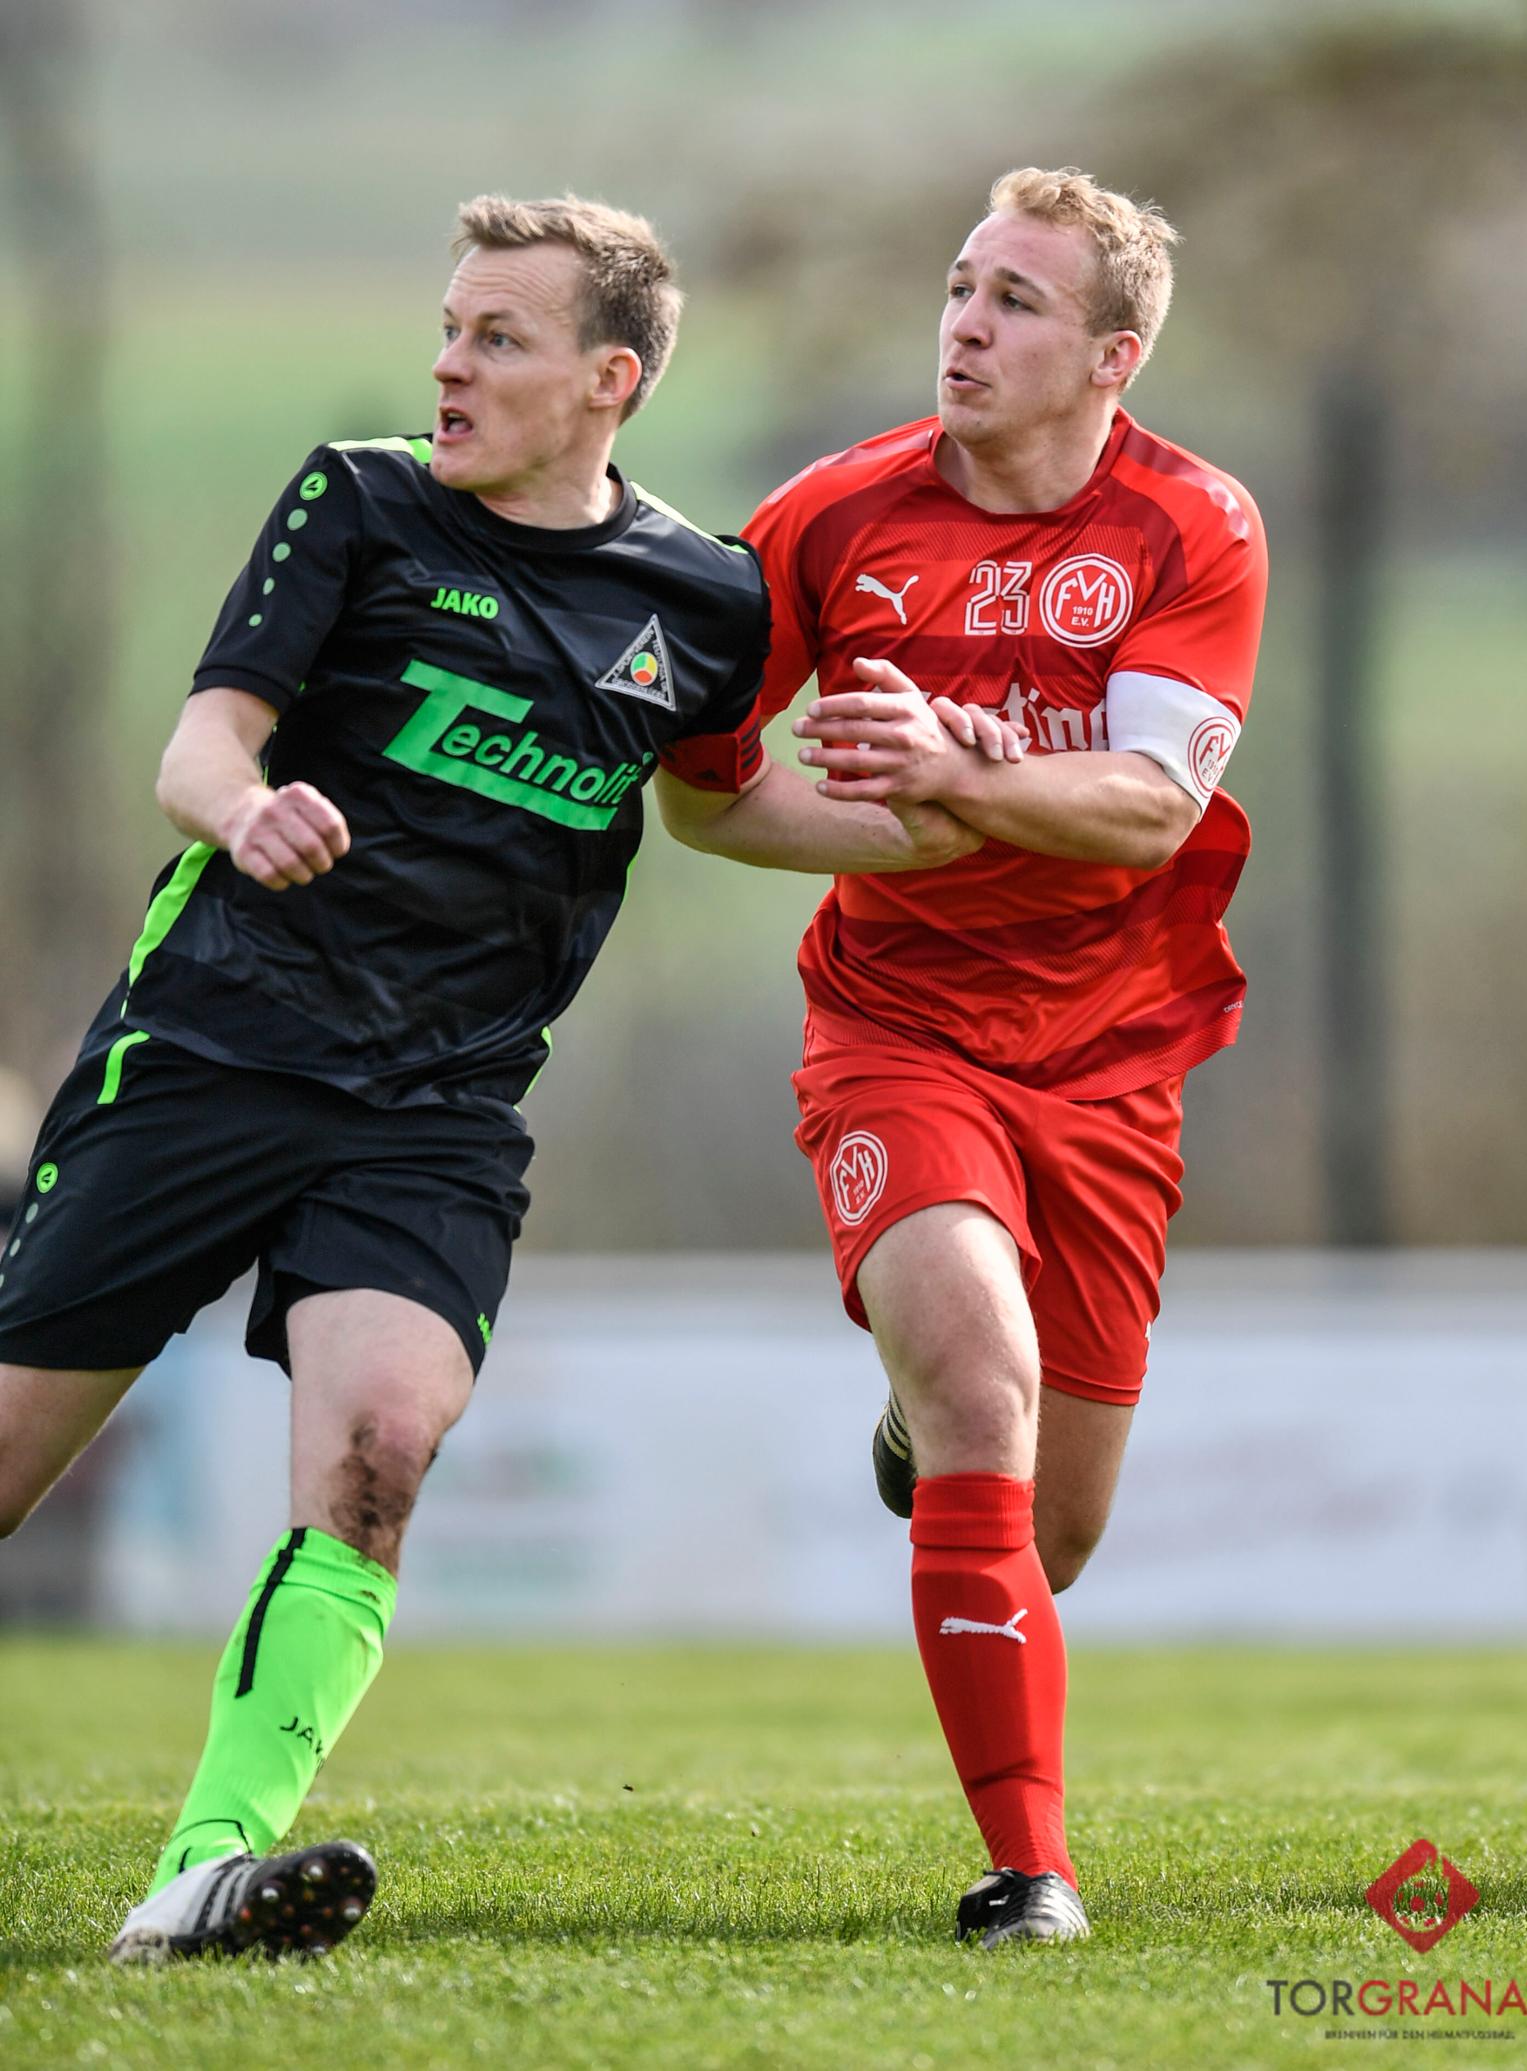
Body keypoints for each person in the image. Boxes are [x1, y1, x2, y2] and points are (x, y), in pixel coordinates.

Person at [0, 192, 986, 1966]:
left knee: (381, 1451)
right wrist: (246, 811)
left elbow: (716, 804)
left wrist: (949, 818)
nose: (449, 366)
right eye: (449, 331)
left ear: (611, 380)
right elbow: (204, 741)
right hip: (217, 1048)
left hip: (442, 1108)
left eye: (498, 338)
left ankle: (202, 1872)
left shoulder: (705, 598)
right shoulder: (360, 501)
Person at [656, 166, 1268, 1947]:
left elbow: (1150, 808)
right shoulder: (828, 521)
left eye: (1016, 301)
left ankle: (918, 1426)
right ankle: (1029, 1873)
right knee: (985, 1392)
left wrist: (959, 777)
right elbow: (704, 803)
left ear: (1114, 356)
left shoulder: (1193, 524)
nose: (967, 326)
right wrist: (895, 836)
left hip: (1112, 1058)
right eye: (960, 287)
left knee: (1050, 1533)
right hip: (898, 1032)